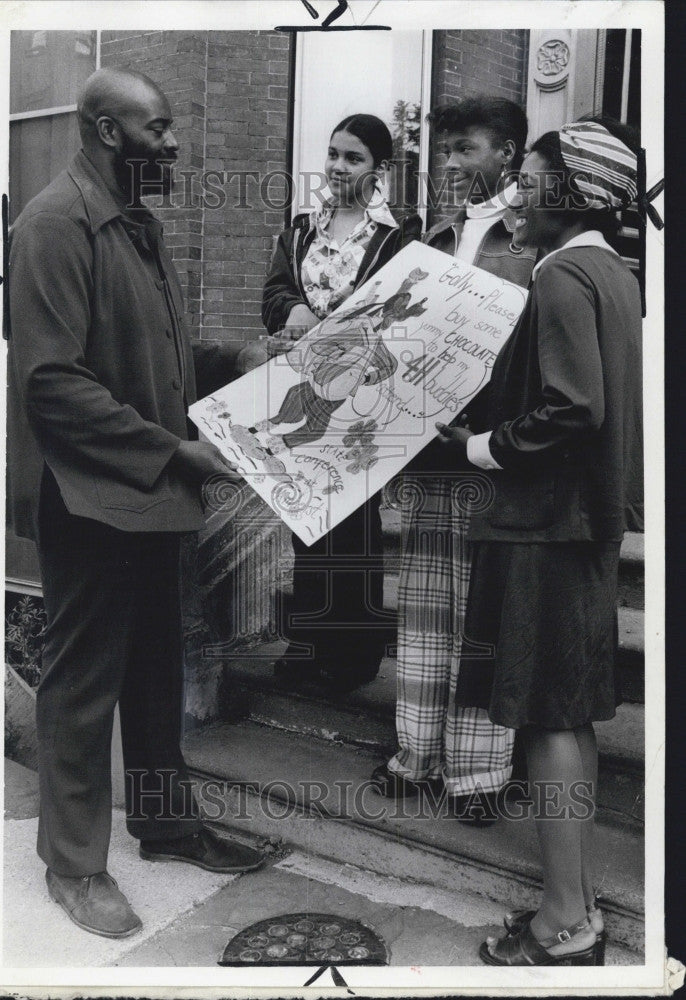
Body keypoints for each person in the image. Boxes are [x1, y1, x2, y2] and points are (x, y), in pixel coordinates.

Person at [7, 66, 264, 940]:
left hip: (154, 498)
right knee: (82, 685)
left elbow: (157, 353)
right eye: (158, 128)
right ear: (107, 131)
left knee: (157, 671)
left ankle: (164, 824)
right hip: (93, 501)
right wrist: (175, 450)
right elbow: (52, 382)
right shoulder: (53, 223)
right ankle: (73, 867)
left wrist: (242, 360)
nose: (175, 143)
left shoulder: (137, 224)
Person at [436, 117, 643, 965]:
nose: (515, 191)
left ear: (570, 192)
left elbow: (573, 407)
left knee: (550, 722)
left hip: (546, 527)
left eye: (528, 177)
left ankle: (566, 925)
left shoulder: (561, 277)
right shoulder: (614, 273)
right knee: (571, 718)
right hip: (584, 526)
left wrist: (483, 445)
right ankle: (576, 902)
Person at [370, 96, 538, 825]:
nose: (448, 164)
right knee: (427, 610)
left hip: (497, 453)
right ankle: (416, 754)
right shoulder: (431, 238)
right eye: (444, 151)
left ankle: (479, 773)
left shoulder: (532, 241)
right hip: (430, 450)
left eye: (463, 148)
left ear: (505, 152)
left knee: (485, 614)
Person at [252, 113, 422, 693]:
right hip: (304, 384)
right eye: (332, 154)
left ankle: (350, 657)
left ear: (380, 170)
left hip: (361, 396)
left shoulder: (398, 237)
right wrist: (290, 310)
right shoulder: (301, 230)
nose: (338, 167)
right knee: (308, 518)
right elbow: (275, 290)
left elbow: (405, 311)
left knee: (353, 525)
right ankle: (307, 644)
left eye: (353, 158)